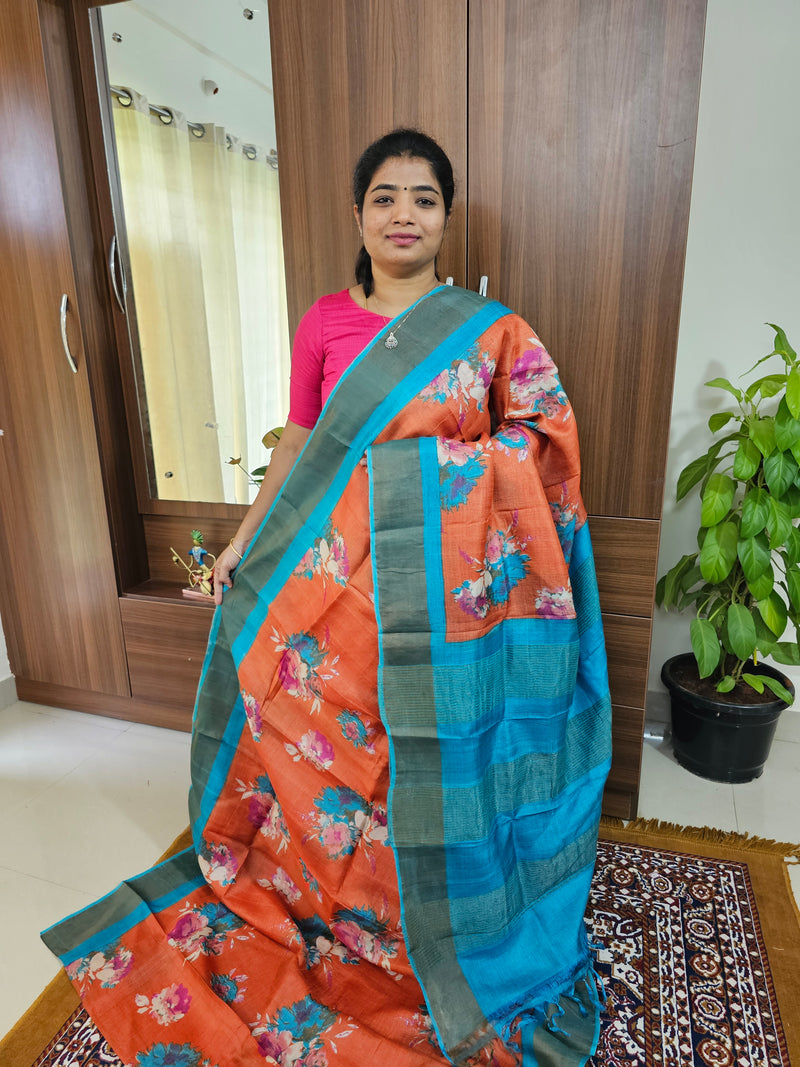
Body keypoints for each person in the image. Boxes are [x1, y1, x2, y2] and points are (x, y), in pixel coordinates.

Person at [43, 130, 612, 1066]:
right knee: (341, 763)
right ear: (358, 214)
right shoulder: (324, 323)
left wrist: (424, 480)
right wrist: (238, 546)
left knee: (419, 759)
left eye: (423, 199)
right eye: (385, 197)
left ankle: (418, 914)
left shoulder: (492, 329)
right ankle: (328, 900)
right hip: (338, 598)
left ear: (445, 217)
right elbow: (301, 452)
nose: (403, 214)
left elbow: (546, 447)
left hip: (445, 612)